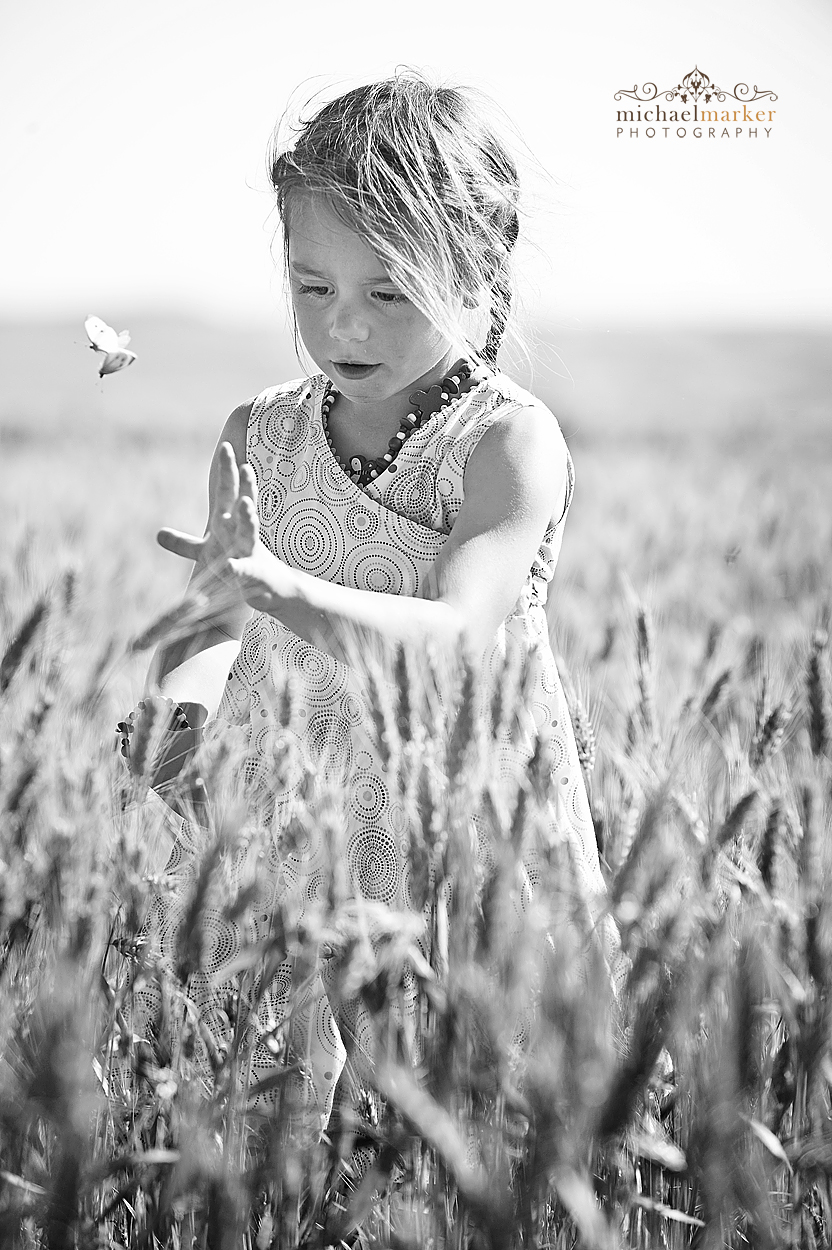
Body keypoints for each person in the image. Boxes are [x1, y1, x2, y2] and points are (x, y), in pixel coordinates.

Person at [119, 72, 617, 1135]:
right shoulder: (258, 432)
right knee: (284, 1118)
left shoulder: (502, 443)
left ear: (481, 274)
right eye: (311, 286)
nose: (343, 322)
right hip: (294, 810)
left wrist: (286, 590)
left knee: (455, 1118)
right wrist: (185, 707)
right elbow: (211, 618)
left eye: (388, 290)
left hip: (452, 826)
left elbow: (451, 635)